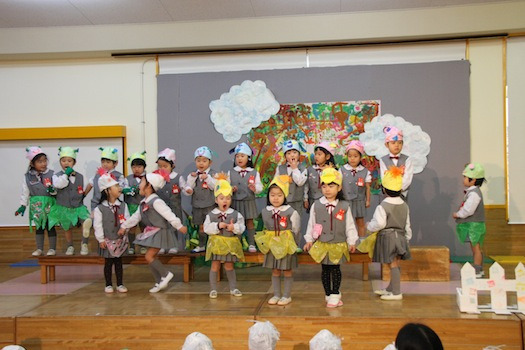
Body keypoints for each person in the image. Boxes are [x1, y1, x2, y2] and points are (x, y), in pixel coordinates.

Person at [118, 170, 187, 293]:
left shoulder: (156, 201)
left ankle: (165, 274)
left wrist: (178, 225)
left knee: (148, 256)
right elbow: (136, 217)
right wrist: (124, 226)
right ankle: (158, 280)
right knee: (151, 257)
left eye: (142, 182)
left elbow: (168, 214)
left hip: (160, 232)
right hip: (153, 232)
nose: (139, 184)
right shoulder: (143, 202)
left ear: (149, 185)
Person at [303, 168, 358, 308]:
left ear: (339, 187)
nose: (327, 189)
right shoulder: (317, 205)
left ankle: (335, 293)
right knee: (325, 269)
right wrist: (309, 239)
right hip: (322, 243)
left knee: (335, 268)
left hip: (338, 243)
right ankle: (328, 293)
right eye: (324, 186)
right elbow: (312, 223)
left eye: (331, 186)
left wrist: (352, 241)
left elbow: (349, 225)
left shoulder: (344, 206)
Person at [255, 175, 300, 306]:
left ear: (285, 196)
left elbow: (296, 229)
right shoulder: (265, 211)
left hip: (285, 244)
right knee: (274, 269)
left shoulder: (291, 211)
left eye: (279, 195)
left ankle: (286, 295)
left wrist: (293, 244)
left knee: (286, 269)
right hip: (271, 244)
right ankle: (276, 294)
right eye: (272, 195)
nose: (275, 198)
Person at [369, 166, 412, 301]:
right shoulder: (404, 205)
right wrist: (407, 238)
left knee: (392, 264)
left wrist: (369, 227)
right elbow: (407, 224)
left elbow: (379, 223)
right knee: (395, 263)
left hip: (388, 238)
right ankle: (391, 288)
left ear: (384, 190)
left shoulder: (383, 206)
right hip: (400, 237)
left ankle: (397, 292)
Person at [204, 176, 245, 298]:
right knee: (215, 265)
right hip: (217, 244)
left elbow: (242, 228)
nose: (225, 201)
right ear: (216, 200)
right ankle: (213, 289)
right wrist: (217, 225)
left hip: (230, 244)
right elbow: (206, 228)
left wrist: (234, 228)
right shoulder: (211, 214)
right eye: (222, 198)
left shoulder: (235, 214)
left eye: (227, 198)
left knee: (229, 265)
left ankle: (233, 288)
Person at [48, 147, 92, 255]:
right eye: (63, 161)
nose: (66, 163)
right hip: (64, 207)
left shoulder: (80, 176)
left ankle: (84, 243)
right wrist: (66, 174)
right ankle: (70, 246)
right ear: (60, 162)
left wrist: (84, 194)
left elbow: (80, 190)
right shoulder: (56, 176)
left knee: (86, 220)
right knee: (67, 228)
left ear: (74, 162)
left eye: (69, 160)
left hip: (78, 206)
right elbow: (59, 185)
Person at [15, 146, 57, 256]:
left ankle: (52, 249)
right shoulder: (28, 177)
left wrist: (53, 191)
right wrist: (23, 205)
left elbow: (57, 191)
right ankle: (39, 248)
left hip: (49, 204)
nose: (43, 164)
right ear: (32, 164)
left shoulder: (52, 174)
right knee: (39, 227)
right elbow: (25, 192)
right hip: (36, 205)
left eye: (44, 161)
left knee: (50, 226)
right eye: (40, 162)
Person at [93, 170, 130, 293]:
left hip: (119, 239)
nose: (119, 188)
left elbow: (127, 220)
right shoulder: (100, 208)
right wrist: (101, 239)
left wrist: (124, 228)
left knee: (119, 263)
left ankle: (120, 283)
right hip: (107, 240)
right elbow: (97, 225)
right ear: (107, 190)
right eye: (116, 186)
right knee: (108, 263)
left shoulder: (123, 205)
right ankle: (108, 284)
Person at [83, 147, 125, 255]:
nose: (105, 164)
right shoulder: (97, 175)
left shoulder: (118, 176)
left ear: (115, 163)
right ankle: (85, 243)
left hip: (110, 204)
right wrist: (83, 194)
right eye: (103, 162)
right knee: (96, 224)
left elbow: (122, 187)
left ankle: (110, 247)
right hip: (97, 202)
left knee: (106, 225)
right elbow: (90, 184)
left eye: (108, 162)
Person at [453, 163, 487, 278]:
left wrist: (458, 214)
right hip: (475, 225)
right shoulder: (473, 192)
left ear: (473, 180)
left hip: (474, 226)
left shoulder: (474, 194)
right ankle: (479, 269)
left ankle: (478, 270)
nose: (463, 179)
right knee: (476, 247)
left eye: (465, 177)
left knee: (476, 248)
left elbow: (468, 210)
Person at [228, 142, 263, 253]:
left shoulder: (253, 172)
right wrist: (230, 189)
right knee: (236, 223)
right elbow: (226, 187)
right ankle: (237, 243)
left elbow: (260, 187)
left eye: (242, 156)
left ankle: (251, 244)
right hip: (236, 201)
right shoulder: (231, 172)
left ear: (248, 158)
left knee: (250, 222)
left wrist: (255, 188)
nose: (239, 159)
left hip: (249, 201)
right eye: (237, 156)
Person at [184, 146, 217, 253]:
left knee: (212, 225)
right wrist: (191, 182)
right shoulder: (192, 175)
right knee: (201, 227)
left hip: (210, 204)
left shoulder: (213, 174)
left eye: (204, 161)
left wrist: (207, 178)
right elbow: (188, 189)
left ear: (210, 162)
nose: (201, 163)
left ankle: (213, 246)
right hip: (197, 205)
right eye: (198, 161)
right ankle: (202, 245)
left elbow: (216, 187)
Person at [156, 148, 187, 254]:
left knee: (174, 226)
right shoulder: (157, 178)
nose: (162, 169)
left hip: (174, 206)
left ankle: (174, 245)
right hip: (161, 207)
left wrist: (186, 189)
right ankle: (163, 245)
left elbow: (185, 188)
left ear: (172, 166)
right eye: (160, 166)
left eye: (165, 166)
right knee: (162, 226)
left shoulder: (178, 177)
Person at [341, 140, 371, 239]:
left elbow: (367, 187)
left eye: (355, 156)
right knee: (346, 222)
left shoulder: (364, 171)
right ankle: (347, 241)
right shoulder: (342, 170)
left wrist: (367, 200)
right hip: (346, 200)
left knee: (360, 222)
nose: (352, 159)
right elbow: (338, 186)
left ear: (360, 157)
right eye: (350, 156)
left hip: (359, 200)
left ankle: (361, 241)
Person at [274, 139, 307, 219]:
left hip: (297, 201)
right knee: (284, 221)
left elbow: (301, 183)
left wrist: (295, 168)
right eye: (289, 153)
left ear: (299, 154)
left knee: (296, 222)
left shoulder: (303, 169)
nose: (292, 155)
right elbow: (276, 184)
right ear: (285, 156)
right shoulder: (280, 168)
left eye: (295, 152)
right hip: (283, 201)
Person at [122, 151, 146, 255]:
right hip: (131, 205)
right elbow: (122, 189)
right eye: (134, 167)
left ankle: (143, 246)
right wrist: (128, 190)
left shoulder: (147, 178)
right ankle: (131, 246)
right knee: (132, 227)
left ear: (144, 167)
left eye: (139, 166)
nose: (136, 169)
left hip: (144, 206)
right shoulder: (127, 179)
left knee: (144, 227)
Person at [379, 126, 413, 199]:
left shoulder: (407, 159)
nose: (396, 145)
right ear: (387, 145)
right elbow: (384, 177)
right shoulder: (383, 160)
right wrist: (391, 190)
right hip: (388, 194)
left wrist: (399, 189)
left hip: (402, 193)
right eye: (393, 143)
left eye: (399, 143)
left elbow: (408, 177)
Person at [304, 141, 337, 212]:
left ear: (327, 156)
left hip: (327, 199)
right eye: (315, 154)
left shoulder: (332, 170)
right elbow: (306, 185)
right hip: (312, 199)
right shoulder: (310, 169)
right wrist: (305, 198)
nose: (316, 157)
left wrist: (328, 171)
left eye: (319, 154)